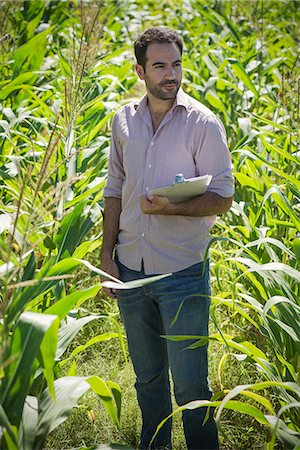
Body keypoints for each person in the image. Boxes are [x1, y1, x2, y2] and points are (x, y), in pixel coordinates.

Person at [100, 26, 234, 450]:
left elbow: (223, 197)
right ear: (140, 70)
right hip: (132, 269)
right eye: (159, 66)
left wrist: (171, 207)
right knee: (148, 380)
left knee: (191, 388)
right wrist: (107, 258)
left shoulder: (202, 124)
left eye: (175, 64)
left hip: (182, 273)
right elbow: (114, 190)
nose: (170, 74)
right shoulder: (123, 120)